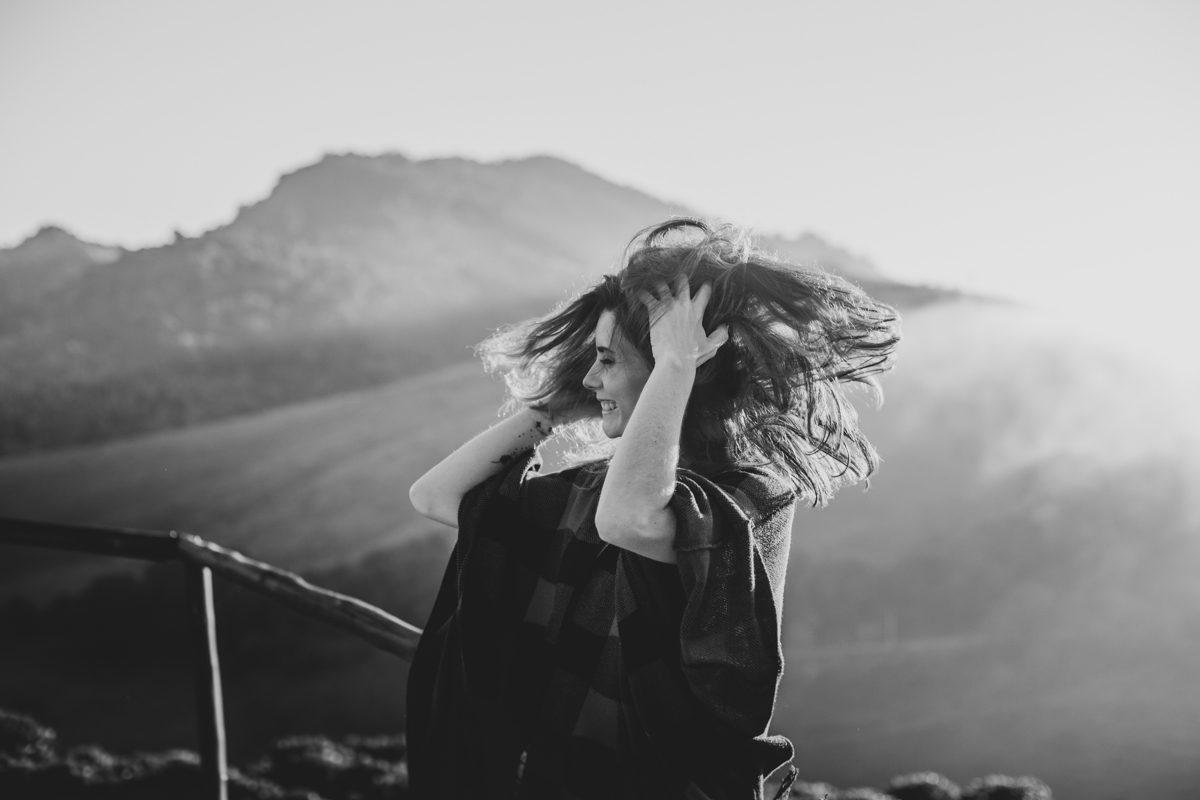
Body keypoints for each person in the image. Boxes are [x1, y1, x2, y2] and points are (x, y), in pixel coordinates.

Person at [406, 218, 901, 799]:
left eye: (607, 360)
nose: (590, 376)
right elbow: (440, 498)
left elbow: (630, 520)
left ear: (684, 363)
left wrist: (674, 366)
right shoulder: (597, 484)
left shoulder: (749, 496)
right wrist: (551, 411)